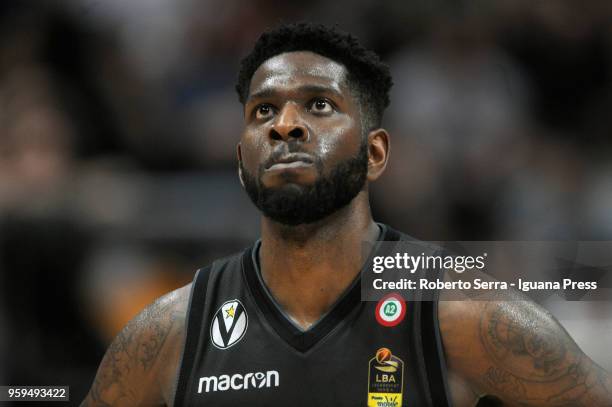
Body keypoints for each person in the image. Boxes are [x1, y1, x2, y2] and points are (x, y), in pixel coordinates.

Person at [82, 23, 612, 407]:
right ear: (242, 161)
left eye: (319, 105)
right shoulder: (171, 331)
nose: (284, 125)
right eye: (263, 110)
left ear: (375, 154)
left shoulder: (463, 314)